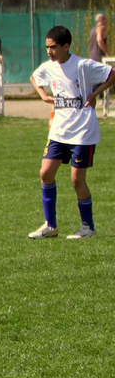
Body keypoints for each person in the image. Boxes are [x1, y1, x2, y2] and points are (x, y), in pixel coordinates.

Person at [28, 26, 115, 239]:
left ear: (66, 46)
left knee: (77, 180)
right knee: (45, 173)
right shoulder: (49, 67)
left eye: (53, 47)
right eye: (47, 47)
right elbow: (34, 77)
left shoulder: (82, 65)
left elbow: (111, 73)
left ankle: (88, 227)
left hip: (83, 131)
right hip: (59, 131)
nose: (49, 51)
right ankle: (50, 226)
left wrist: (95, 93)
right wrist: (43, 95)